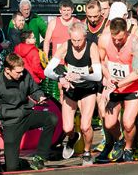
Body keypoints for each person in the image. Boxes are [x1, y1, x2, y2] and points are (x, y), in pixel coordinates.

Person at [43, 22, 102, 164]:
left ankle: (87, 152)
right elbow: (48, 71)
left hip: (87, 89)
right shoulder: (65, 46)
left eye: (79, 40)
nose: (76, 43)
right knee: (67, 127)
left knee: (85, 126)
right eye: (74, 40)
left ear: (85, 36)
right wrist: (61, 78)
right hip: (71, 89)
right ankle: (72, 137)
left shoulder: (92, 47)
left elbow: (98, 76)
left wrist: (80, 75)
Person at [0, 54, 55, 171]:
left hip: (27, 114)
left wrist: (39, 97)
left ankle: (40, 157)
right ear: (7, 70)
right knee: (11, 168)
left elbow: (35, 89)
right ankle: (23, 163)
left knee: (52, 118)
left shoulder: (25, 74)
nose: (21, 74)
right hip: (11, 123)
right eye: (18, 72)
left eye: (22, 71)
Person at [98, 18, 138, 163]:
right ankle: (119, 140)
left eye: (120, 39)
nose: (117, 42)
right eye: (114, 39)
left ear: (126, 32)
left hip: (132, 86)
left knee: (128, 123)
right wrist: (108, 78)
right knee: (109, 123)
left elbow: (137, 73)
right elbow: (101, 62)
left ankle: (129, 148)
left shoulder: (135, 43)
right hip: (114, 85)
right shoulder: (104, 40)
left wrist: (118, 84)